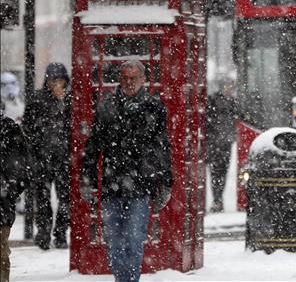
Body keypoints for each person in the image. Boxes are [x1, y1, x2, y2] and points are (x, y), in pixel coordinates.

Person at [80, 60, 171, 282]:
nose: (129, 83)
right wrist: (87, 180)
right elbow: (93, 146)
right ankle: (123, 279)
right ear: (120, 80)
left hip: (141, 184)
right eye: (125, 78)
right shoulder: (107, 106)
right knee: (114, 242)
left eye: (134, 78)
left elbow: (162, 146)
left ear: (143, 80)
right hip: (113, 183)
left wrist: (166, 182)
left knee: (134, 239)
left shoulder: (154, 106)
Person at [22, 62, 72, 250]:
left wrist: (61, 102)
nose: (57, 84)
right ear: (47, 81)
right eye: (53, 80)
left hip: (64, 157)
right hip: (41, 157)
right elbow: (27, 127)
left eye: (60, 80)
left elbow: (77, 127)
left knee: (65, 198)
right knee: (42, 197)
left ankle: (60, 233)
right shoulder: (37, 99)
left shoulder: (71, 99)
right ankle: (43, 232)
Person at [1, 101, 31, 282]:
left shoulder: (9, 129)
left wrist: (9, 192)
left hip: (1, 205)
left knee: (1, 253)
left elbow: (24, 168)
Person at [204, 79, 236, 213]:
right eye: (227, 86)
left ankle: (218, 200)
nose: (229, 89)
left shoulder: (232, 102)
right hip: (215, 143)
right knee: (215, 173)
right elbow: (208, 120)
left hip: (224, 143)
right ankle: (216, 199)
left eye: (230, 86)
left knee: (222, 173)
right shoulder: (213, 100)